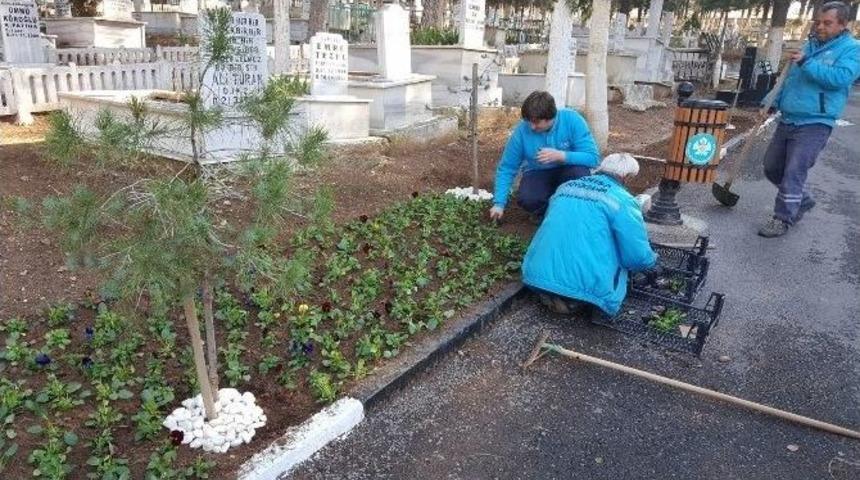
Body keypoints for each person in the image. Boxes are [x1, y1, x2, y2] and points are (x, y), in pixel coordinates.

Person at [758, 1, 860, 238]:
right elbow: (790, 78)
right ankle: (801, 199)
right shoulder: (809, 44)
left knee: (794, 171)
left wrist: (806, 62)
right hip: (789, 118)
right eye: (818, 22)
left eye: (827, 23)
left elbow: (840, 78)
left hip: (816, 122)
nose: (820, 27)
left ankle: (782, 218)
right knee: (772, 167)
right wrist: (771, 102)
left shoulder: (852, 49)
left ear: (843, 24)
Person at [521, 153, 658, 316]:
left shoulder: (565, 188)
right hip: (584, 286)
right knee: (621, 248)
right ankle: (571, 298)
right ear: (626, 177)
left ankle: (554, 291)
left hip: (535, 274)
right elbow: (636, 256)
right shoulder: (623, 201)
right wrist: (651, 262)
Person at [489, 91, 600, 222]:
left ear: (550, 117)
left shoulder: (572, 120)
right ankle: (548, 214)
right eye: (528, 121)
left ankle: (571, 214)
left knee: (580, 176)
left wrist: (562, 156)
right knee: (528, 199)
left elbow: (593, 158)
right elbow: (507, 167)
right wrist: (499, 204)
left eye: (536, 122)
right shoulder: (521, 131)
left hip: (569, 169)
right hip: (537, 171)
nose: (531, 127)